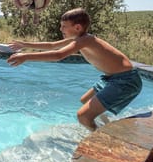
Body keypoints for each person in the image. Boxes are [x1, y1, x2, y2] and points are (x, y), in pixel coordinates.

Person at [7, 8, 142, 131]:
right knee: (85, 101)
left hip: (125, 80)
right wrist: (24, 44)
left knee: (83, 116)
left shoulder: (86, 40)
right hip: (113, 78)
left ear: (77, 27)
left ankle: (102, 139)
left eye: (64, 26)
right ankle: (106, 128)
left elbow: (58, 55)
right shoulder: (79, 38)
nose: (61, 29)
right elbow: (52, 45)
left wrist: (26, 56)